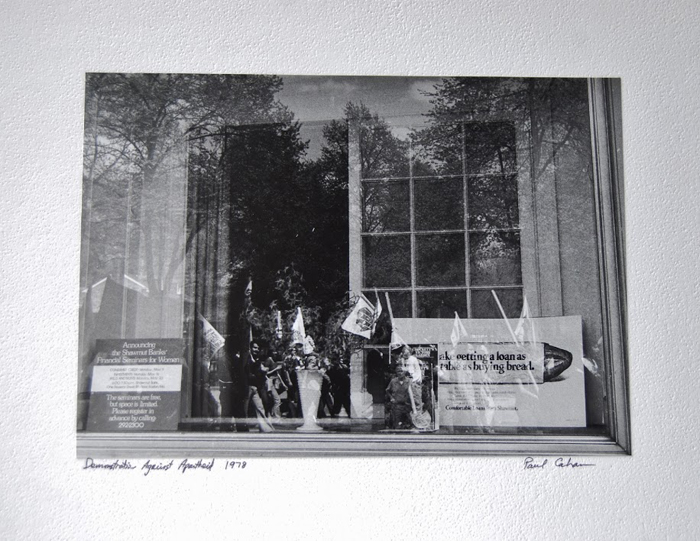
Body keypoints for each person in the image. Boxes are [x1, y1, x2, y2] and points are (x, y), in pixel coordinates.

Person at [244, 340, 274, 432]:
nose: (256, 350)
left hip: (255, 387)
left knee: (260, 407)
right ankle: (242, 428)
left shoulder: (257, 359)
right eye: (254, 347)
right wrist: (259, 373)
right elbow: (247, 373)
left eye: (257, 348)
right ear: (250, 348)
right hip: (247, 387)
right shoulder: (246, 358)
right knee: (244, 409)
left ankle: (265, 428)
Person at [385, 364, 413, 429]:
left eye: (401, 371)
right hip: (396, 406)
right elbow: (387, 390)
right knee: (397, 425)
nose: (400, 373)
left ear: (405, 372)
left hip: (407, 406)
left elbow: (412, 393)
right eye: (398, 371)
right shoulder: (393, 381)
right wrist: (391, 398)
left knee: (408, 425)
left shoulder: (408, 381)